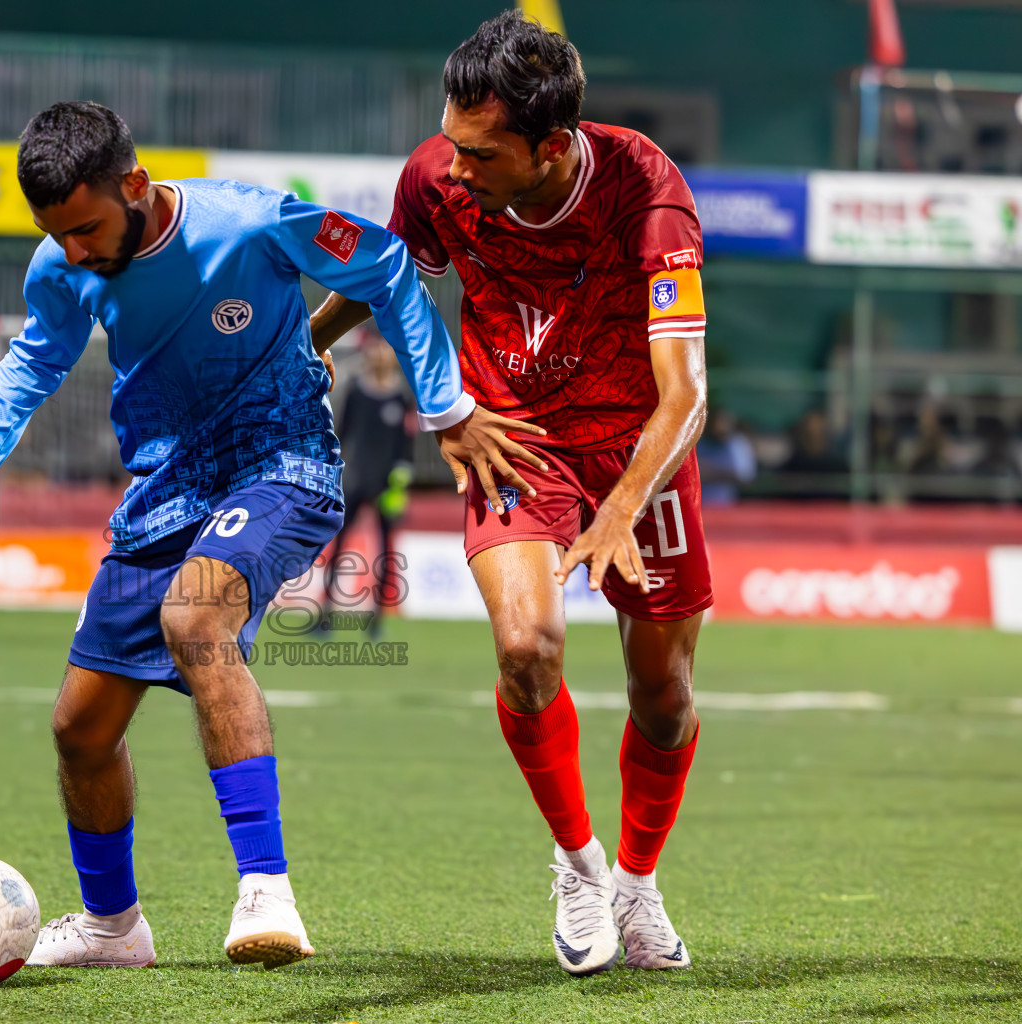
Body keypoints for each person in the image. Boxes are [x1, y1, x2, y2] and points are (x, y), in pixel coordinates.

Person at [0, 101, 526, 971]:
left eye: (84, 228)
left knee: (196, 623)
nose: (73, 251)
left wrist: (447, 406)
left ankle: (267, 893)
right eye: (57, 235)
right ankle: (113, 929)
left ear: (136, 186)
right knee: (80, 727)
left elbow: (387, 265)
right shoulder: (60, 264)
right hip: (162, 493)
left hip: (282, 467)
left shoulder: (253, 222)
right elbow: (38, 357)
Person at [312, 10, 710, 975]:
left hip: (637, 451)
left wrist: (620, 509)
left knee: (662, 696)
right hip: (512, 438)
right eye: (450, 142)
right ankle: (577, 865)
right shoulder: (437, 178)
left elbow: (687, 393)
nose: (453, 170)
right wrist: (300, 347)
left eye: (480, 154)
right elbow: (386, 276)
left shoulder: (648, 191)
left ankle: (637, 881)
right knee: (528, 648)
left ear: (551, 146)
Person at [321, 332, 415, 632]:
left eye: (385, 348)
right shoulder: (357, 391)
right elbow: (341, 434)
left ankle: (377, 619)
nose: (380, 353)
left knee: (386, 551)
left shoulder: (400, 396)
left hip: (387, 485)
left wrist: (401, 485)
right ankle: (325, 614)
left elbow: (406, 446)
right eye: (376, 348)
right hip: (356, 480)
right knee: (339, 546)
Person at [693, 408, 756, 506]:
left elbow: (744, 476)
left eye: (723, 422)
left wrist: (711, 472)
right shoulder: (697, 442)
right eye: (716, 422)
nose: (720, 427)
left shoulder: (736, 444)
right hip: (699, 505)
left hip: (727, 506)